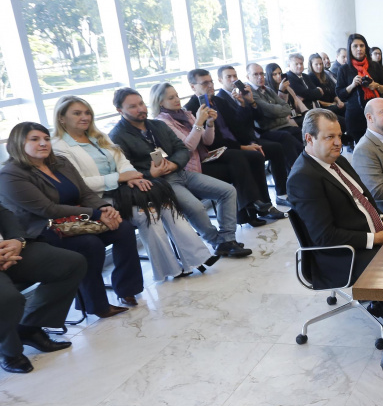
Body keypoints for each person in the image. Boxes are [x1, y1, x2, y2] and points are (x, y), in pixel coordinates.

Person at [52, 95, 214, 282]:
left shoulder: (98, 136)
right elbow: (79, 183)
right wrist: (120, 177)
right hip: (98, 198)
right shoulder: (59, 148)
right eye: (77, 113)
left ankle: (197, 258)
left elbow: (123, 161)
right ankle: (169, 269)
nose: (85, 117)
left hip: (125, 189)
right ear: (62, 118)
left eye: (87, 112)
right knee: (148, 214)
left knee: (166, 204)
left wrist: (133, 178)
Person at [0, 122, 142, 318]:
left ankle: (127, 289)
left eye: (46, 139)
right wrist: (95, 214)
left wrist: (104, 208)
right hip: (42, 230)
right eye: (35, 139)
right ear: (18, 143)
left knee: (123, 228)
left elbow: (84, 193)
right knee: (89, 244)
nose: (43, 143)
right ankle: (96, 304)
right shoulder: (10, 175)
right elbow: (47, 209)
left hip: (77, 220)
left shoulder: (60, 162)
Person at [287, 109, 383, 329]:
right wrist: (376, 239)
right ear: (309, 138)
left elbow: (365, 196)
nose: (337, 142)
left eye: (339, 136)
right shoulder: (303, 178)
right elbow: (325, 237)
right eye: (329, 137)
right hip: (339, 254)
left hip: (363, 233)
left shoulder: (338, 160)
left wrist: (382, 218)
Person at [108, 87, 251, 258]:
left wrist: (175, 164)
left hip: (180, 172)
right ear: (120, 110)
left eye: (141, 104)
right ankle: (218, 242)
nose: (141, 109)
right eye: (133, 107)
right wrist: (150, 173)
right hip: (160, 182)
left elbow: (182, 149)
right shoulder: (117, 136)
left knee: (227, 191)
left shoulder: (157, 125)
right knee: (196, 207)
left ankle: (227, 239)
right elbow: (125, 169)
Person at [153, 81, 283, 229]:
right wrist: (199, 123)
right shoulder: (163, 122)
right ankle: (252, 209)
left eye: (176, 95)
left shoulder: (186, 114)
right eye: (171, 98)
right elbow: (188, 147)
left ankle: (256, 208)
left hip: (205, 157)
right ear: (160, 102)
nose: (177, 99)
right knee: (238, 160)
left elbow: (207, 141)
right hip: (190, 166)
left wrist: (209, 124)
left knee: (253, 157)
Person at [0, 202, 85, 373]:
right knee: (7, 299)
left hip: (7, 251)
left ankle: (29, 328)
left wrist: (17, 240)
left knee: (70, 263)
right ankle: (9, 352)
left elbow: (3, 212)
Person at [215, 64, 296, 206]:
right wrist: (241, 106)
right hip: (240, 142)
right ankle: (265, 202)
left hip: (252, 136)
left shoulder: (239, 93)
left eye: (235, 76)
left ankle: (282, 193)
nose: (233, 79)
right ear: (220, 80)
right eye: (229, 77)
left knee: (278, 147)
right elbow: (235, 125)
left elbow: (255, 117)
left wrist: (251, 102)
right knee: (274, 145)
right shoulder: (220, 99)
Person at [336, 33, 383, 144]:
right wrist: (352, 85)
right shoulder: (344, 69)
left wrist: (376, 86)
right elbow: (340, 94)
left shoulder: (375, 66)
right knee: (362, 148)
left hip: (376, 112)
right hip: (355, 115)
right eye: (355, 46)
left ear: (366, 47)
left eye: (362, 45)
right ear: (350, 49)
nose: (359, 49)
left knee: (379, 145)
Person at [246, 63, 302, 141]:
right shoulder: (249, 92)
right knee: (288, 136)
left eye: (262, 73)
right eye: (255, 74)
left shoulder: (267, 89)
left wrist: (277, 109)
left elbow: (287, 107)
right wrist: (279, 109)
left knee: (301, 133)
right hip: (268, 130)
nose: (260, 77)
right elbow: (270, 111)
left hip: (283, 125)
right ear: (248, 77)